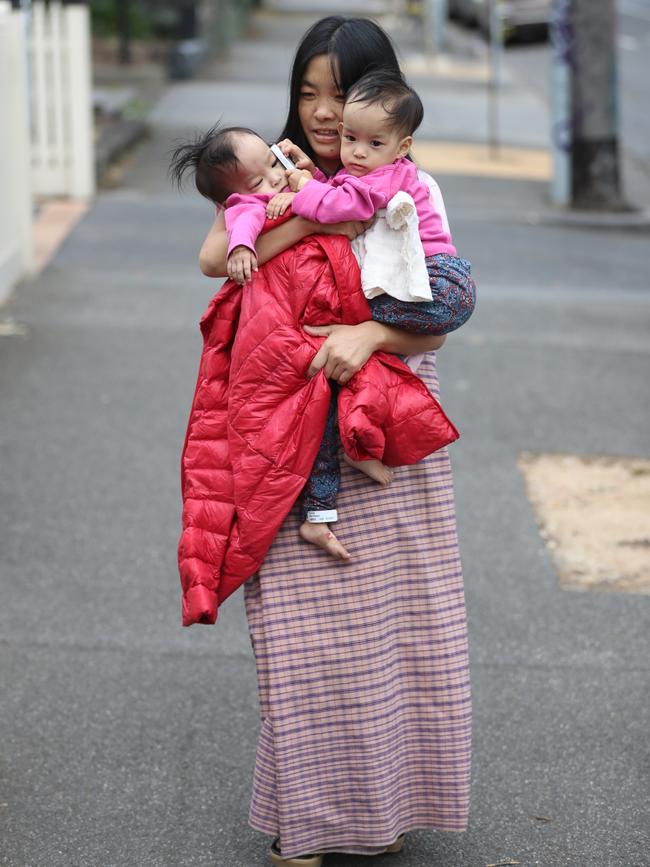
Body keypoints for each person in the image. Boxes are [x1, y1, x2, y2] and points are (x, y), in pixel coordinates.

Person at [197, 16, 472, 867]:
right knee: (298, 635)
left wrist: (369, 336)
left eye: (339, 95)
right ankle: (306, 821)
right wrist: (310, 213)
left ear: (381, 103)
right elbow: (216, 255)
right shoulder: (272, 168)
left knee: (392, 631)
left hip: (385, 422)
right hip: (286, 427)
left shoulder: (405, 184)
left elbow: (443, 310)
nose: (323, 115)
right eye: (309, 93)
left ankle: (377, 806)